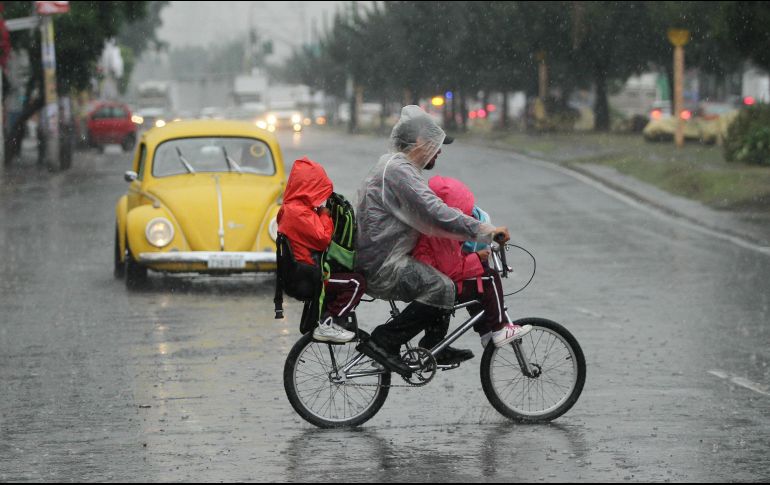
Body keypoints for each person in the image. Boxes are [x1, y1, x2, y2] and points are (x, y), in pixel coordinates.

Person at [354, 105, 510, 376]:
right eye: (436, 145)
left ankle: (435, 345)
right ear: (419, 143)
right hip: (383, 264)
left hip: (384, 255)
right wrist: (485, 230)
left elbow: (433, 213)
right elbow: (435, 212)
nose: (439, 151)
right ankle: (384, 341)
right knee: (442, 287)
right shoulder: (398, 171)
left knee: (442, 283)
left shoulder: (399, 168)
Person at [411, 176, 532, 348]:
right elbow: (452, 270)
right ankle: (499, 328)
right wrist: (476, 258)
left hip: (435, 276)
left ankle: (485, 332)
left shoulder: (433, 225)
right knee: (487, 278)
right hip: (438, 282)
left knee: (478, 277)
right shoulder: (439, 234)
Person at [277, 157, 367, 343]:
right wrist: (325, 215)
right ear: (308, 188)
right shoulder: (298, 213)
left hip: (301, 272)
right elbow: (322, 239)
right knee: (356, 283)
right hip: (309, 277)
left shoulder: (293, 207)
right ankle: (329, 322)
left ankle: (329, 316)